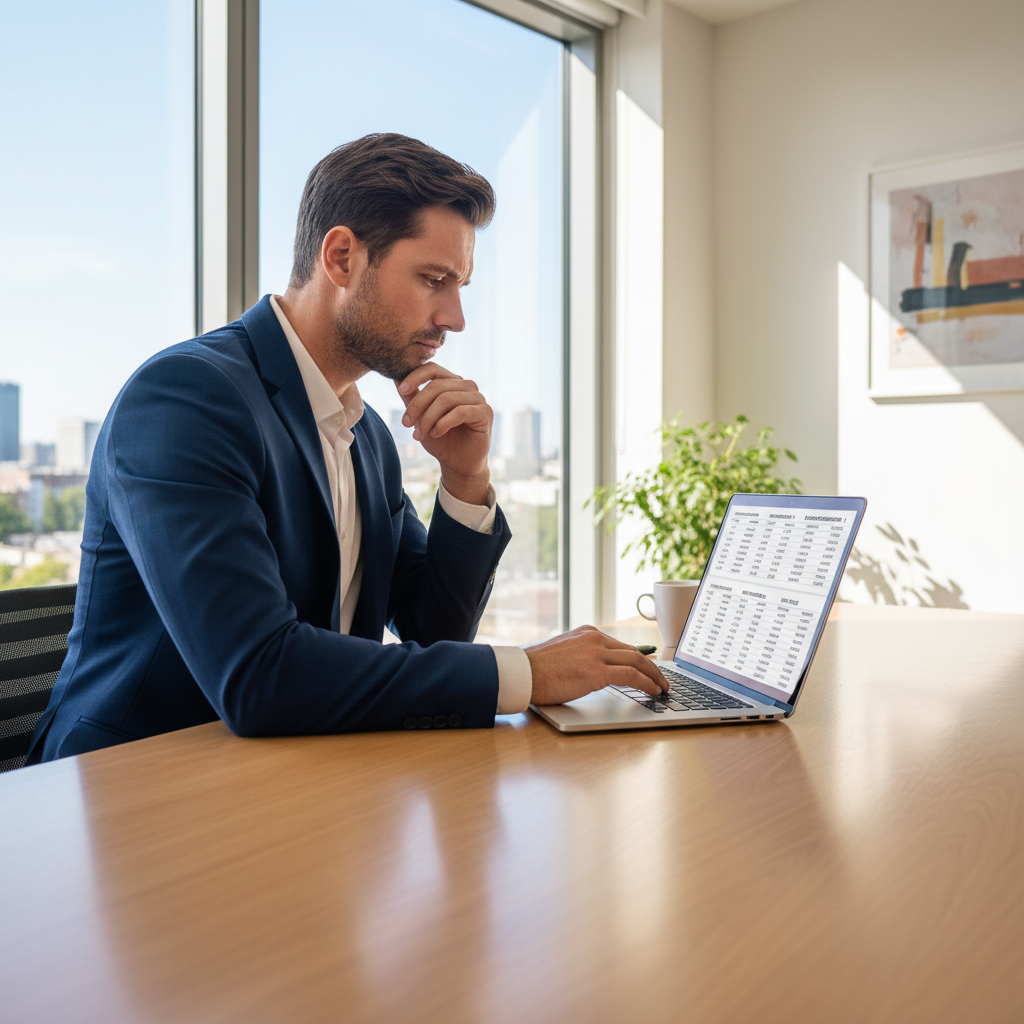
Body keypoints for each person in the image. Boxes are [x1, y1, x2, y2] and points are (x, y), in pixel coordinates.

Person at [27, 133, 666, 763]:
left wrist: (465, 480)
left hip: (301, 772)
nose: (455, 318)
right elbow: (258, 675)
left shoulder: (366, 438)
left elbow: (433, 635)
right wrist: (527, 671)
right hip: (135, 785)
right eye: (434, 279)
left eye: (460, 287)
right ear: (341, 258)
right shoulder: (187, 399)